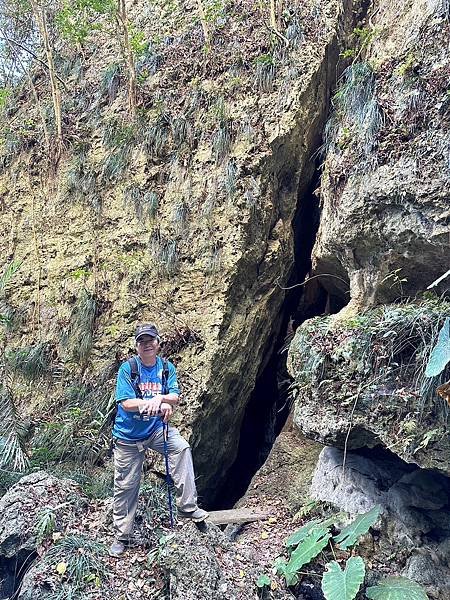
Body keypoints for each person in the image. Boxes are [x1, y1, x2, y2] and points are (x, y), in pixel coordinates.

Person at [109, 323, 208, 557]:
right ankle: (122, 536)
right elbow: (125, 403)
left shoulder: (166, 368)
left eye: (150, 340)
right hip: (128, 437)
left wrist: (162, 400)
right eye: (142, 341)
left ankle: (188, 507)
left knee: (181, 448)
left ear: (158, 343)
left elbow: (175, 396)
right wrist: (152, 404)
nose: (147, 345)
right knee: (126, 486)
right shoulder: (128, 369)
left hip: (155, 431)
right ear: (136, 346)